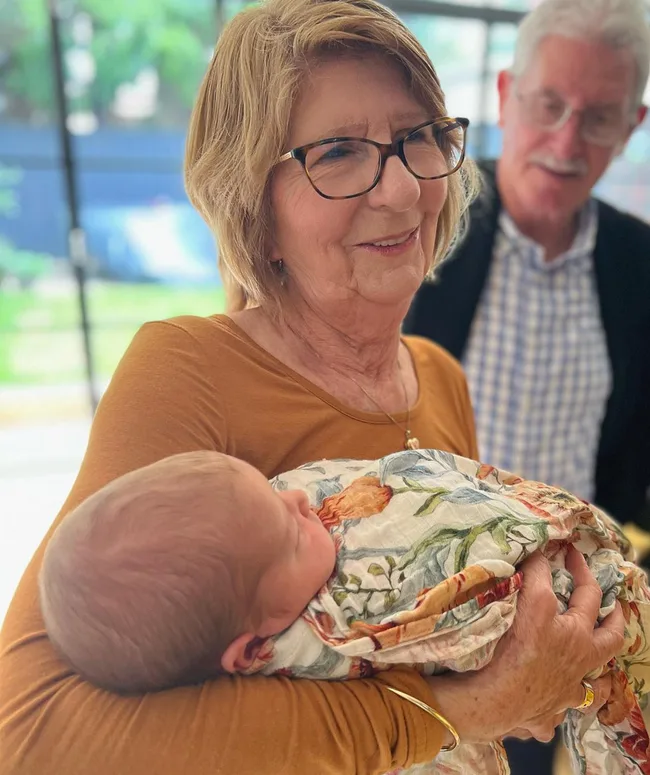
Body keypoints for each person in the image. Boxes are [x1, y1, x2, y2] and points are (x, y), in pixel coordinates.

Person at [0, 1, 625, 774]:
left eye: (419, 137)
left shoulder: (438, 375)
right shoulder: (190, 371)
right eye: (338, 152)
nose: (402, 190)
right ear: (256, 205)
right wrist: (459, 711)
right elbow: (32, 730)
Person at [38, 448, 650, 774]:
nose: (301, 500)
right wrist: (498, 696)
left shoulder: (436, 369)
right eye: (289, 534)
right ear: (251, 650)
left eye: (274, 491)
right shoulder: (334, 634)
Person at [405, 0, 650, 772]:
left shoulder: (640, 267)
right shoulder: (416, 225)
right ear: (507, 95)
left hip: (565, 633)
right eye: (549, 104)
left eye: (599, 118)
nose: (567, 142)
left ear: (634, 125)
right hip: (423, 628)